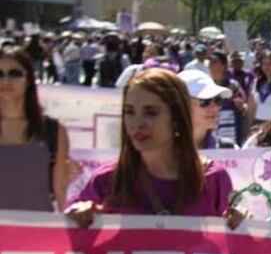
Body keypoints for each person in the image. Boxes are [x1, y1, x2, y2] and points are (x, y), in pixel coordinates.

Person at [65, 68, 242, 227]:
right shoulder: (106, 180)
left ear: (177, 117)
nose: (137, 123)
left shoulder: (214, 179)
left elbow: (232, 252)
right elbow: (67, 241)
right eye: (129, 112)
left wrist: (242, 225)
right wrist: (78, 215)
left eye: (151, 112)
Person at [0, 49, 70, 211]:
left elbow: (60, 189)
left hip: (36, 231)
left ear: (29, 80)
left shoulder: (54, 131)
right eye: (0, 74)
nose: (6, 80)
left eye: (15, 74)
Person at [179, 70, 238, 150]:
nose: (215, 107)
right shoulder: (161, 153)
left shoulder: (230, 150)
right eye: (204, 101)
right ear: (182, 105)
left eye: (218, 100)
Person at [208, 51, 248, 145]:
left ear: (223, 66)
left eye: (214, 62)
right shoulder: (206, 86)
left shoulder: (233, 86)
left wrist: (241, 107)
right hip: (211, 129)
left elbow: (244, 110)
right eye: (210, 63)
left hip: (230, 131)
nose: (210, 65)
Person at [250, 50, 271, 125]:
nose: (267, 67)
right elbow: (253, 107)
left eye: (270, 64)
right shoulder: (257, 82)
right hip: (257, 123)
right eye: (264, 64)